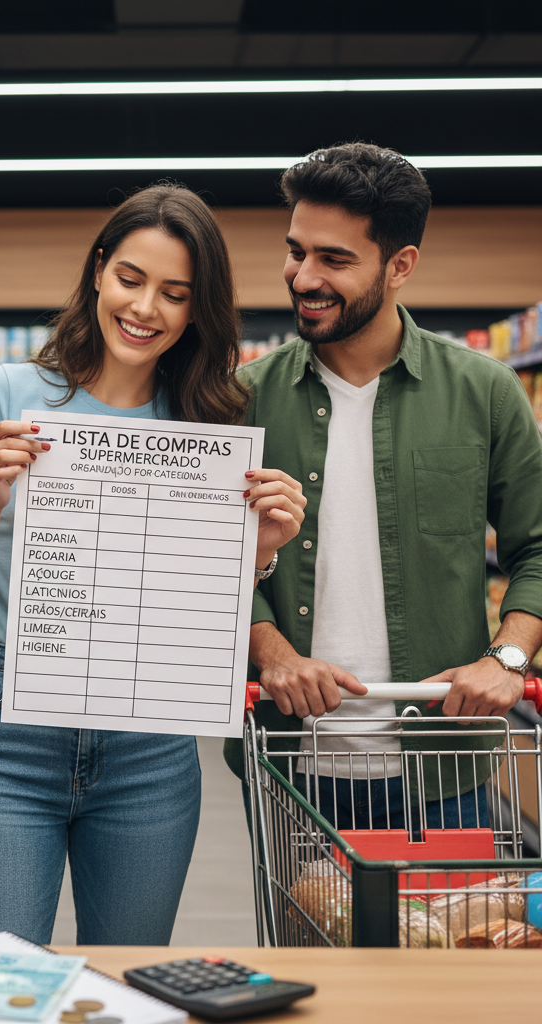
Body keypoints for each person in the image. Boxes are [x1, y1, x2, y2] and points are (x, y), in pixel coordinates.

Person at [0, 184, 306, 945]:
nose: (146, 309)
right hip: (7, 730)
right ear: (99, 269)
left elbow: (194, 612)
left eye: (175, 294)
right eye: (131, 279)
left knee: (129, 981)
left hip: (150, 747)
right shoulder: (9, 394)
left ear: (198, 311)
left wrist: (259, 555)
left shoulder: (214, 421)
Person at [223, 143, 542, 832]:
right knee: (303, 938)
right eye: (295, 251)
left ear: (400, 266)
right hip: (287, 762)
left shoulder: (485, 392)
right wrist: (270, 648)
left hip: (442, 764)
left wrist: (507, 657)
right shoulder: (242, 399)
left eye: (333, 260)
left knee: (446, 941)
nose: (303, 276)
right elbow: (204, 558)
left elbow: (538, 548)